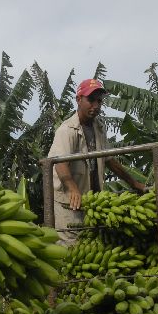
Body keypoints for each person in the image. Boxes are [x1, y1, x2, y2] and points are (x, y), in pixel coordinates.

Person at [47, 78, 146, 244]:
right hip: (69, 202)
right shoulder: (67, 130)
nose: (96, 106)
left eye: (99, 101)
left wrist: (133, 182)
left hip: (92, 199)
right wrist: (72, 189)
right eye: (90, 100)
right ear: (79, 99)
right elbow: (59, 163)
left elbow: (109, 159)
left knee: (93, 244)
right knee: (71, 245)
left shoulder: (98, 127)